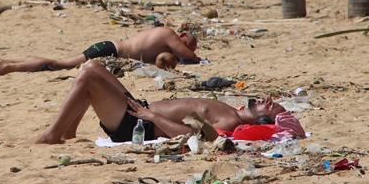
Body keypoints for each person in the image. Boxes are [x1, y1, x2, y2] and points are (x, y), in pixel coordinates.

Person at [25, 61, 286, 144]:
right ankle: (69, 131)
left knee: (87, 79)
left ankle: (53, 134)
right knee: (92, 66)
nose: (267, 100)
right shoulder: (234, 112)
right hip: (139, 109)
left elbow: (190, 135)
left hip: (136, 123)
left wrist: (152, 118)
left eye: (270, 105)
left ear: (264, 119)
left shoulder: (229, 122)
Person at [0, 27, 199, 77]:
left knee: (59, 61)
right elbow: (188, 56)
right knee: (58, 64)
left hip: (110, 47)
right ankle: (9, 67)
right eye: (189, 42)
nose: (187, 47)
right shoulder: (170, 34)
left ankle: (5, 61)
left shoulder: (161, 34)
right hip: (110, 51)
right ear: (183, 35)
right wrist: (196, 57)